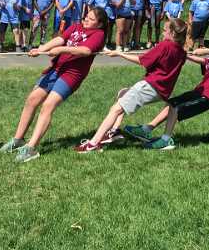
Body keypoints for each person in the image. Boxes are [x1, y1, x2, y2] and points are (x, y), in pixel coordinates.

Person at [0, 7, 108, 162]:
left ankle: (31, 148)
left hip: (72, 74)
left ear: (100, 24)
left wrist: (61, 50)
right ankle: (18, 140)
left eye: (91, 19)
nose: (86, 20)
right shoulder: (76, 26)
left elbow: (85, 50)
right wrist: (41, 49)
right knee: (32, 99)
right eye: (86, 17)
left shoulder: (98, 34)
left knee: (48, 105)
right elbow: (60, 39)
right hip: (57, 68)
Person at [75, 19, 188, 152]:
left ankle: (93, 143)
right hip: (162, 92)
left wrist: (119, 53)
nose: (163, 33)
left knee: (115, 109)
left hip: (149, 87)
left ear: (173, 33)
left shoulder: (165, 45)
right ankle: (114, 131)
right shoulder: (182, 52)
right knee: (123, 92)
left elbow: (141, 60)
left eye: (165, 30)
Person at [123, 36, 209, 150]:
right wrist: (185, 55)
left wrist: (206, 50)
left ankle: (166, 140)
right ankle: (146, 129)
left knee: (176, 107)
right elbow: (204, 62)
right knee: (172, 103)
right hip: (199, 91)